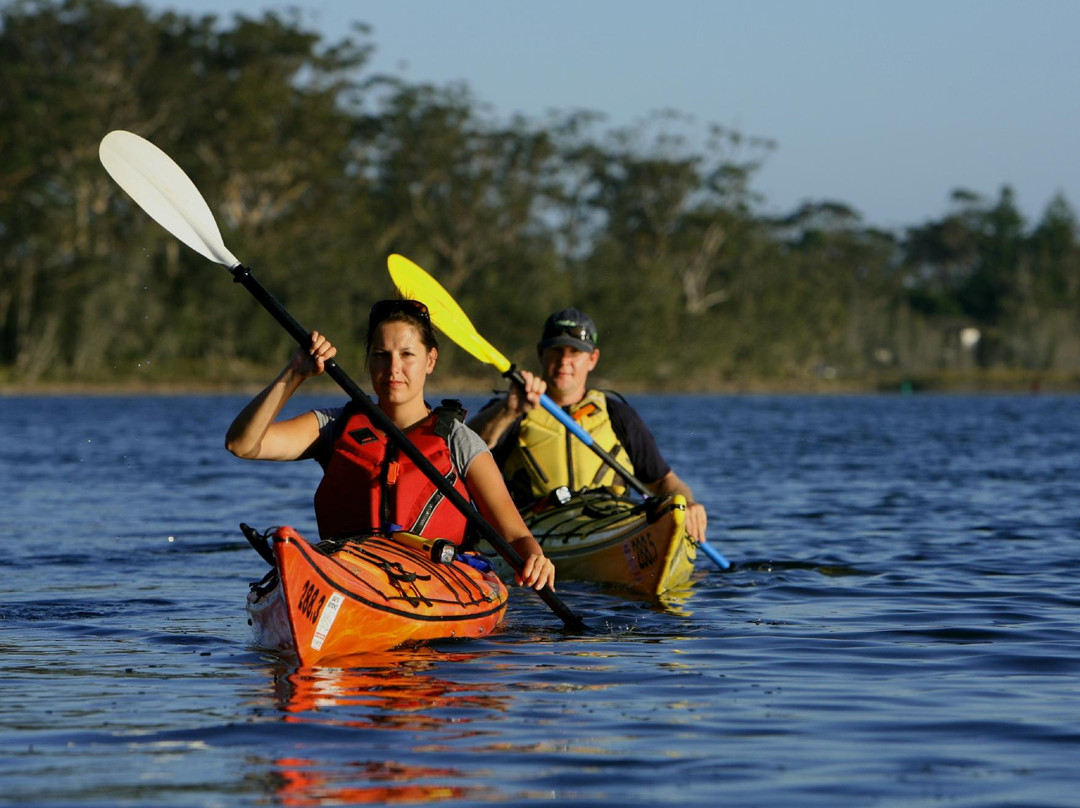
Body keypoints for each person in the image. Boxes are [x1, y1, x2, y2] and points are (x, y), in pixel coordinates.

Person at [225, 298, 555, 591]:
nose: (393, 368)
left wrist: (536, 558)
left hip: (435, 586)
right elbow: (242, 444)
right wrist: (295, 373)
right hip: (350, 578)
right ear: (368, 360)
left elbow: (515, 536)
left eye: (407, 354)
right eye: (381, 355)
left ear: (430, 360)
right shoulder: (334, 427)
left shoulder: (459, 441)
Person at [468, 307, 709, 543]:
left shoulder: (617, 415)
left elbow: (663, 481)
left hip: (610, 526)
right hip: (538, 532)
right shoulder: (511, 409)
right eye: (556, 350)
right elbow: (461, 456)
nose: (564, 361)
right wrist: (509, 411)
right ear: (541, 353)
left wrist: (686, 503)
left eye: (574, 352)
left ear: (592, 359)